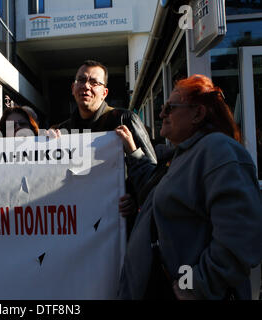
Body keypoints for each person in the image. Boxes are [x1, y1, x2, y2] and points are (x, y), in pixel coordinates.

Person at [115, 74, 262, 300]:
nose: (162, 114)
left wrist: (195, 285)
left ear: (198, 113)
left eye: (170, 108)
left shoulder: (217, 150)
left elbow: (241, 237)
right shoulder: (183, 155)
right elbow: (154, 192)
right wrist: (134, 152)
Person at [54, 59, 156, 228]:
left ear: (105, 92)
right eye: (81, 80)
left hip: (118, 227)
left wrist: (134, 199)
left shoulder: (125, 119)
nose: (86, 86)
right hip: (77, 225)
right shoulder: (63, 130)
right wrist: (48, 145)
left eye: (94, 82)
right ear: (73, 88)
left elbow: (151, 173)